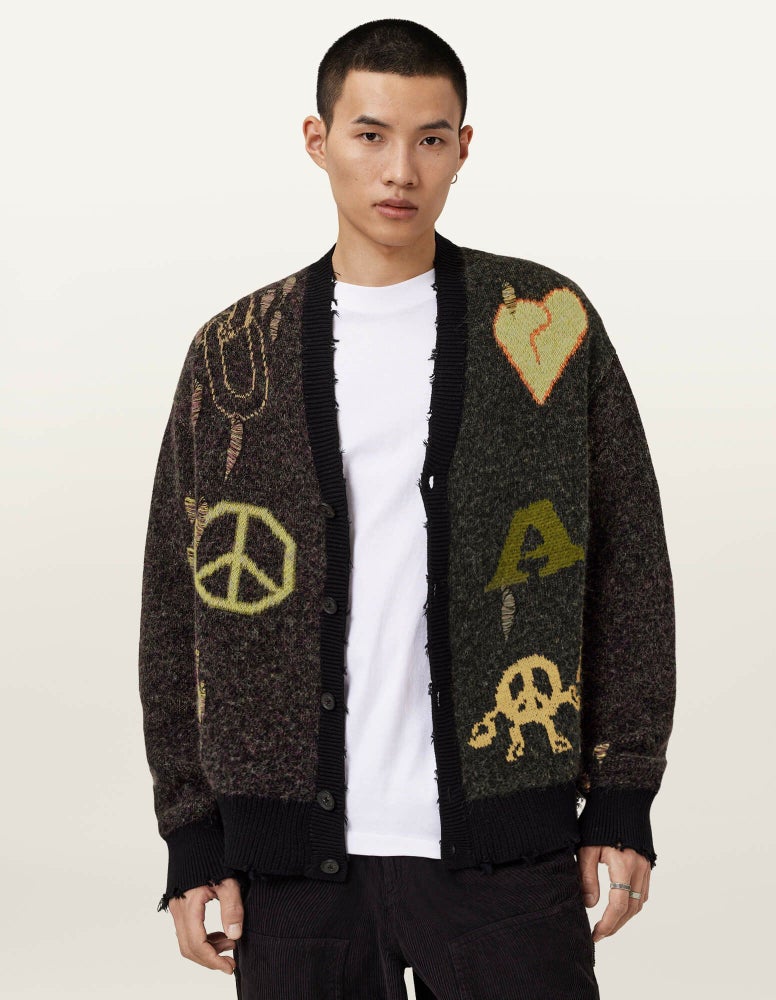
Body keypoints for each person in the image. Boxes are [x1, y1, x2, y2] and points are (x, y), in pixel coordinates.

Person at [138, 18, 676, 1000]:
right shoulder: (236, 353)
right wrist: (192, 831)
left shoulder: (543, 325)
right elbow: (178, 603)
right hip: (293, 869)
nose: (400, 170)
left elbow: (626, 561)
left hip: (504, 849)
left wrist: (622, 793)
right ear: (318, 141)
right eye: (370, 134)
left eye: (430, 139)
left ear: (462, 148)